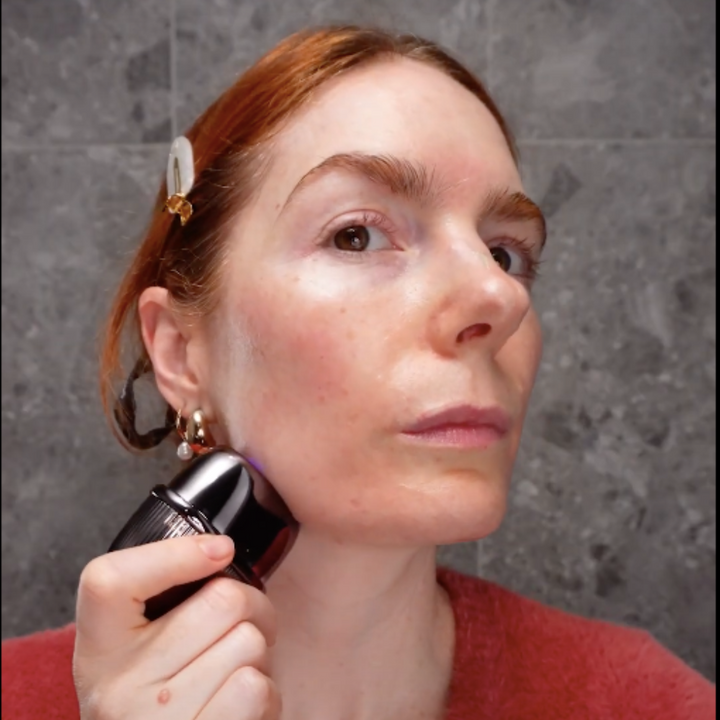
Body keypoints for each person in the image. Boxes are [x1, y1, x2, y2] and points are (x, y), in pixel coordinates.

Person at [2, 25, 715, 720]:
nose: (499, 298)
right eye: (357, 234)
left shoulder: (648, 703)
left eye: (504, 252)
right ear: (185, 356)